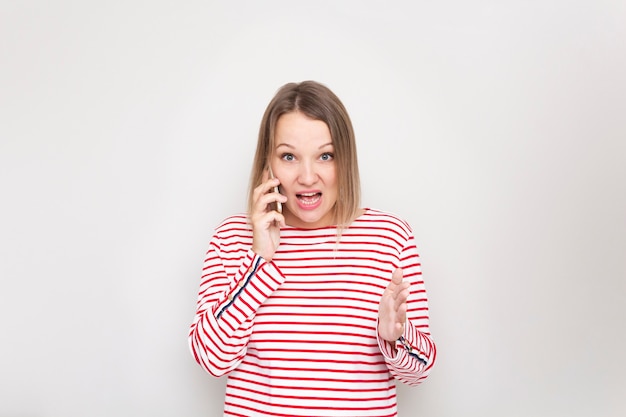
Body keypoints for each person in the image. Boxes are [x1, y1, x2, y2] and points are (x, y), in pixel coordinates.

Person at [188, 81, 436, 417]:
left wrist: (395, 337)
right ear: (268, 163)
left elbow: (419, 373)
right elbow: (210, 359)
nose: (307, 176)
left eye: (325, 156)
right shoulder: (233, 237)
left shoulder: (389, 236)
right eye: (289, 156)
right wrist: (258, 259)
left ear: (345, 159)